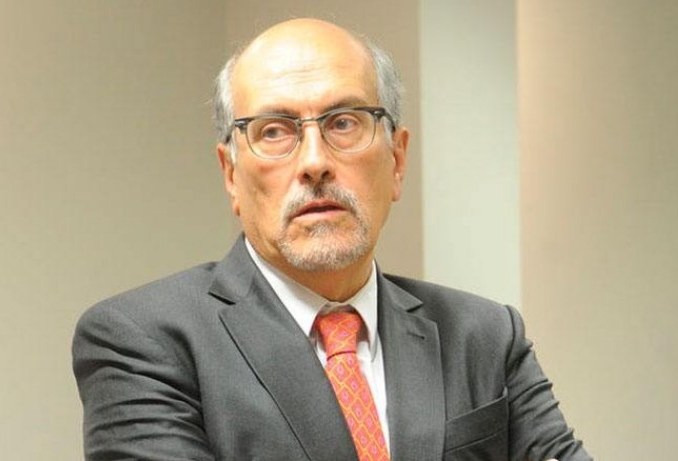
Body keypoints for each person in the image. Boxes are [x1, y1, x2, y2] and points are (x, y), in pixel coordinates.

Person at [72, 18, 591, 461]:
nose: (315, 161)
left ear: (397, 160)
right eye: (274, 130)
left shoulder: (484, 335)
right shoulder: (143, 341)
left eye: (344, 123)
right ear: (231, 174)